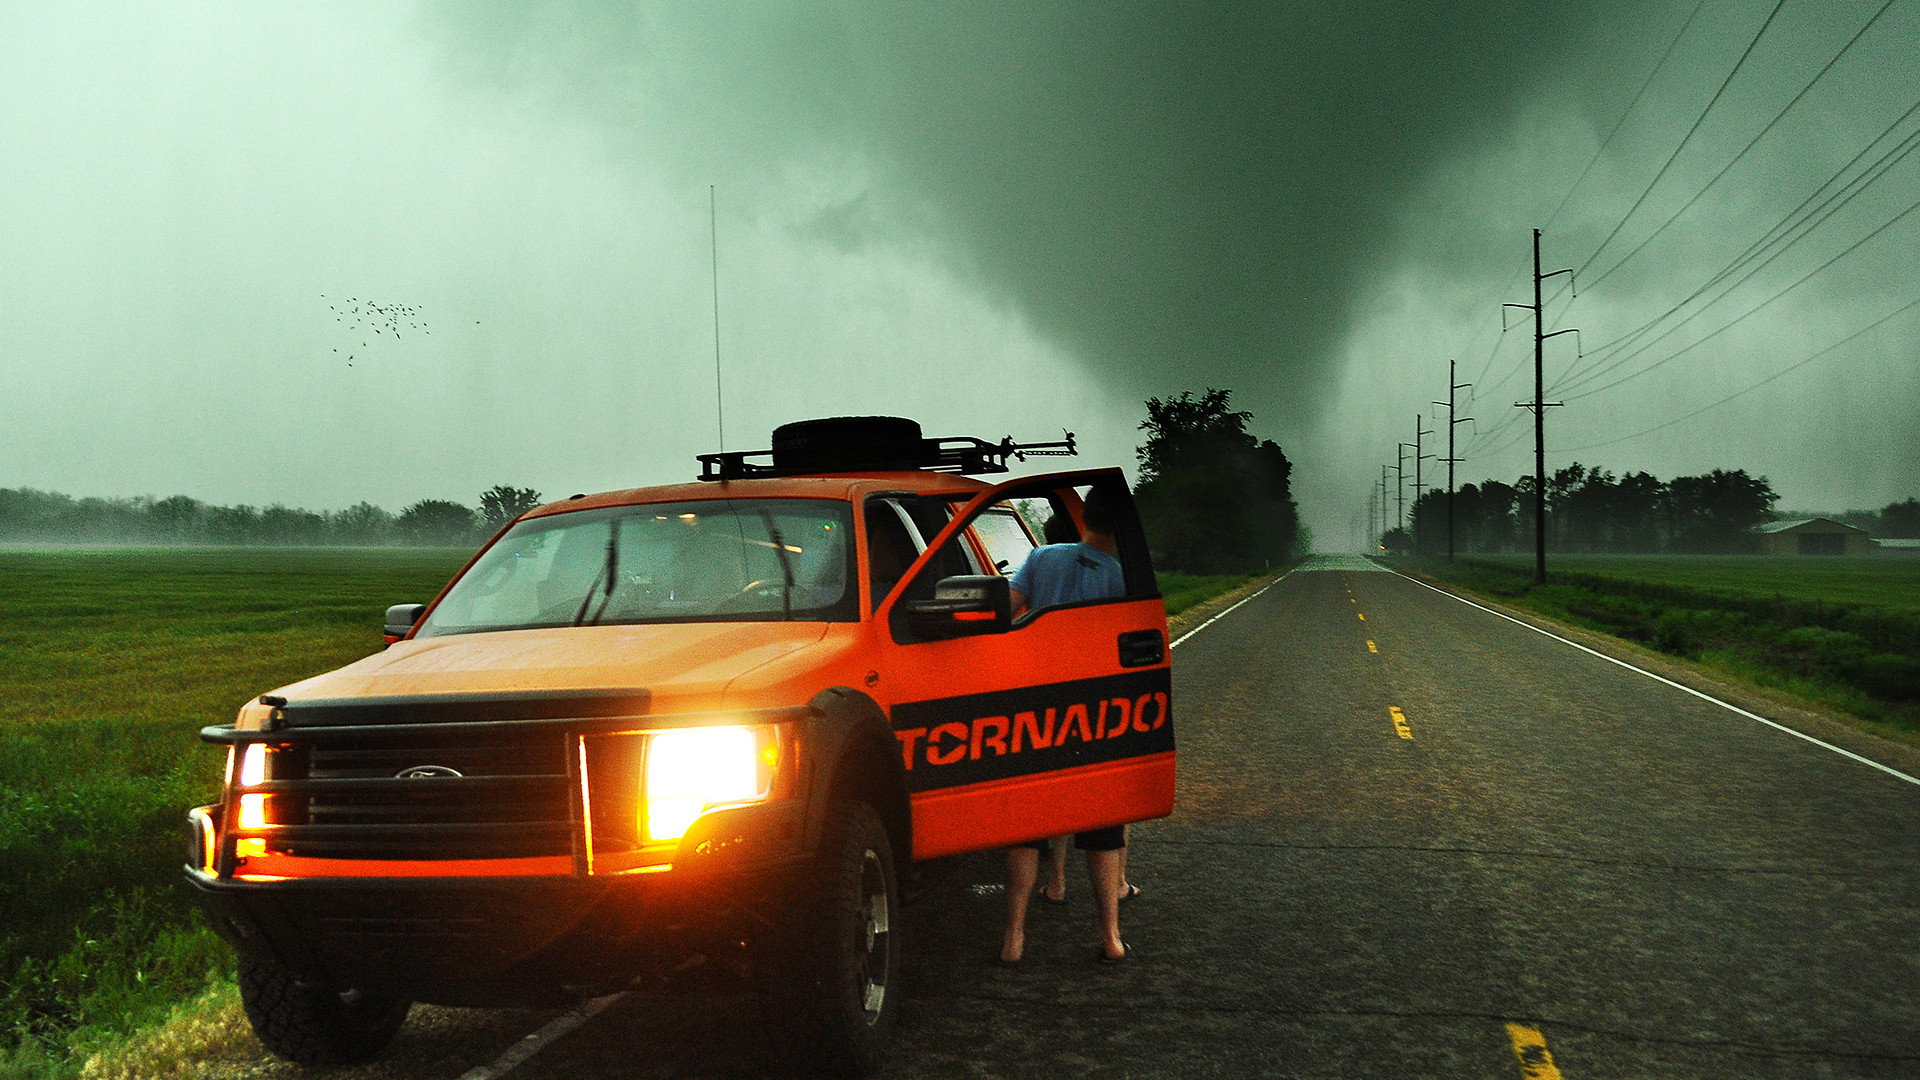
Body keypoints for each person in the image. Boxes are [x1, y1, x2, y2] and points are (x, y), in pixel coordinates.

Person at [999, 488, 1134, 965]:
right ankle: (1111, 937)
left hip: (1036, 706)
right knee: (1101, 826)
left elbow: (1006, 609)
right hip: (1095, 713)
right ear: (1120, 528)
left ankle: (1013, 938)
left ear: (1084, 517)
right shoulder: (1122, 576)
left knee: (1028, 822)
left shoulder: (1041, 556)